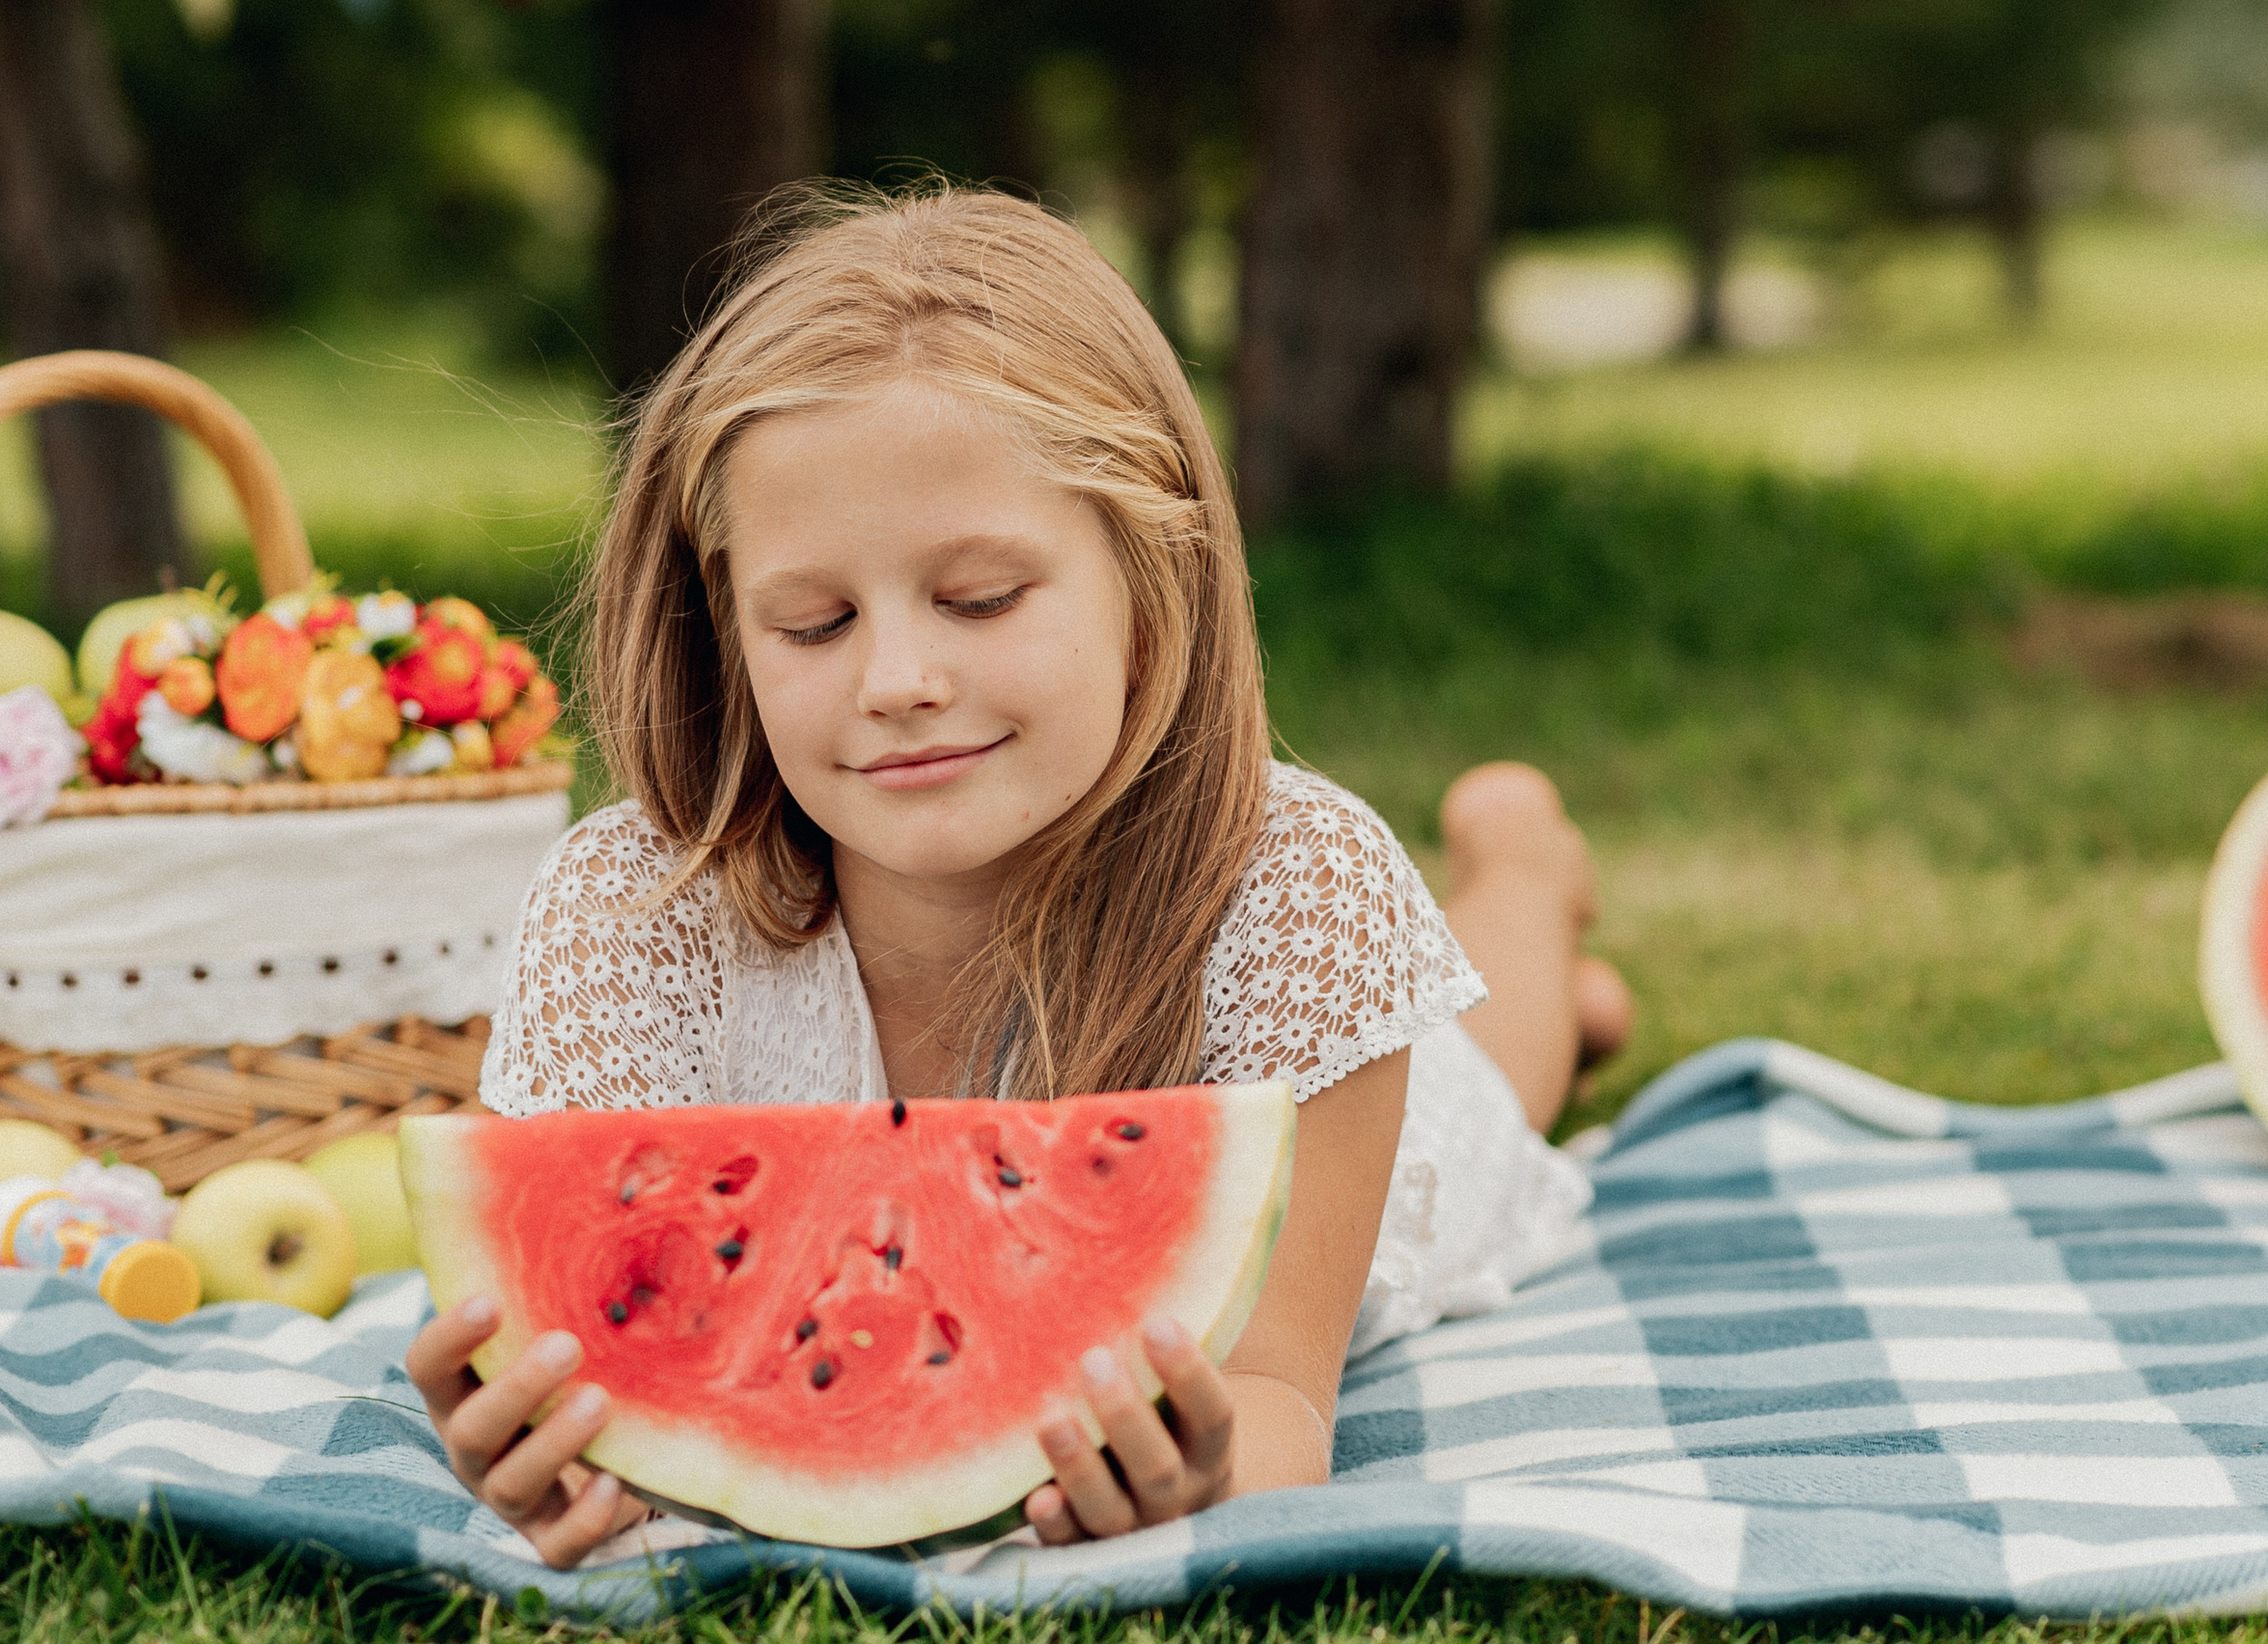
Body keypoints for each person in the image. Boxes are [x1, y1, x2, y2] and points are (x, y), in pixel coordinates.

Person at [403, 184, 1635, 1570]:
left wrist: (1211, 1471)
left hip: (1391, 1144)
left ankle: (1523, 863)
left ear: (1153, 568)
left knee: (1493, 1070)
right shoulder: (632, 916)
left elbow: (1285, 1397)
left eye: (981, 598)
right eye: (813, 623)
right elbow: (601, 1336)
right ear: (722, 628)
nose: (899, 683)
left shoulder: (1306, 901)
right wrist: (575, 1442)